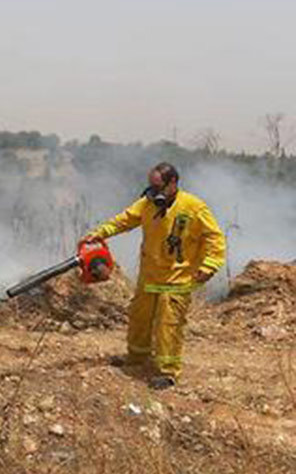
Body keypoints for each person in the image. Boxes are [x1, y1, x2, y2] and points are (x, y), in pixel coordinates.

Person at [80, 162, 226, 390]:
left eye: (159, 187)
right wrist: (98, 234)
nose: (154, 192)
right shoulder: (147, 204)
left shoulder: (194, 207)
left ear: (173, 184)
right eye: (151, 186)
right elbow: (124, 220)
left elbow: (214, 238)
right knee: (140, 316)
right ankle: (137, 358)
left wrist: (209, 265)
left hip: (177, 279)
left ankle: (168, 373)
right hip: (150, 275)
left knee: (169, 324)